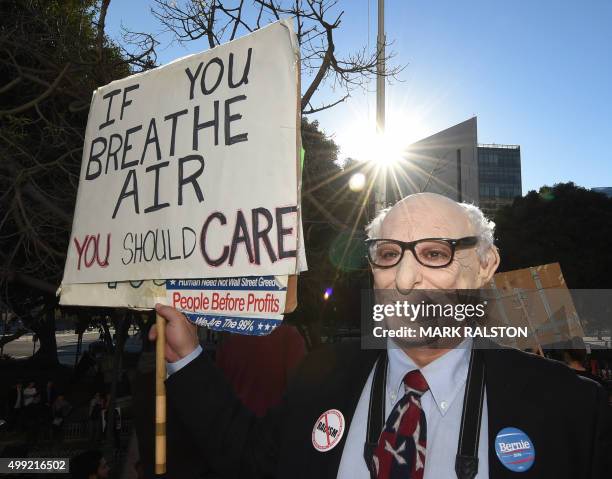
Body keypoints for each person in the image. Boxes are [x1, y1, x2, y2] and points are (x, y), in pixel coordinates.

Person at [151, 193, 612, 478]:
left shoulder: (573, 410)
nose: (405, 278)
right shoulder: (321, 374)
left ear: (486, 267)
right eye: (388, 255)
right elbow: (251, 460)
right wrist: (187, 358)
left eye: (436, 253)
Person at [216, 324, 306, 416]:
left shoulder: (230, 342)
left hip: (235, 422)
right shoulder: (290, 337)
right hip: (271, 424)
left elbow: (220, 391)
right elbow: (298, 393)